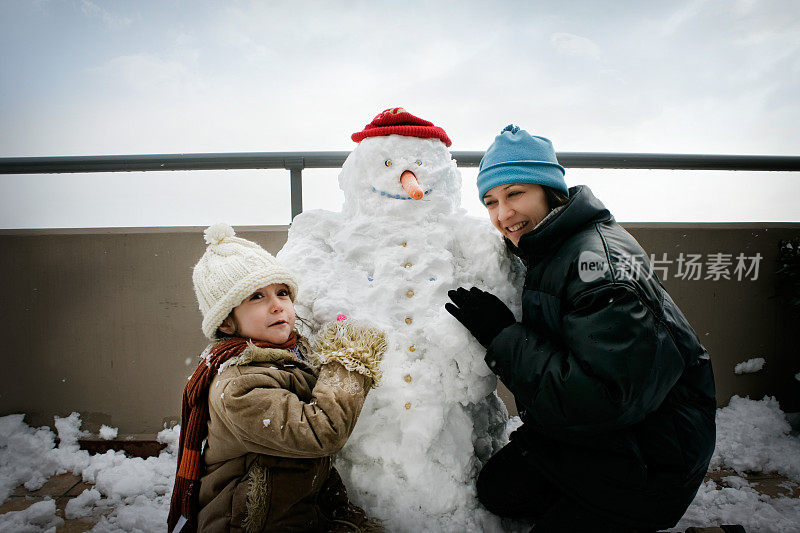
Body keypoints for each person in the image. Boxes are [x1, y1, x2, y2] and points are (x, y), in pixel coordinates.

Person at [445, 125, 717, 532]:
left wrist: (504, 335)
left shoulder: (597, 268)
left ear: (549, 190)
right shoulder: (555, 245)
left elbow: (605, 398)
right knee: (500, 490)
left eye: (515, 194)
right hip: (607, 438)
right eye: (491, 201)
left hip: (650, 457)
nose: (503, 215)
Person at [168, 223, 386, 533]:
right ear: (227, 323)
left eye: (282, 292)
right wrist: (349, 362)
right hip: (252, 522)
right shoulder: (238, 388)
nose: (277, 305)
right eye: (256, 297)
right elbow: (320, 432)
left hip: (296, 510)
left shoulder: (288, 353)